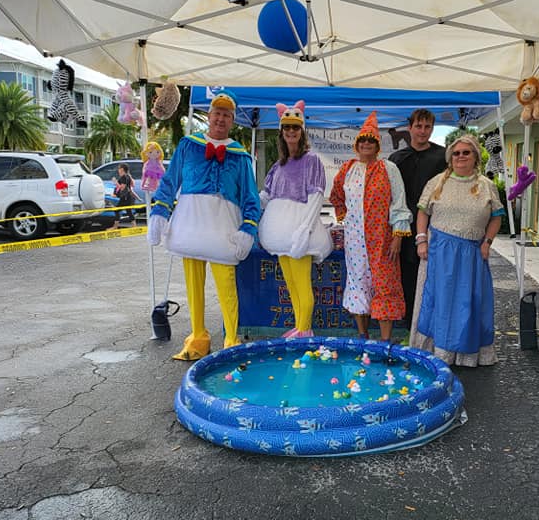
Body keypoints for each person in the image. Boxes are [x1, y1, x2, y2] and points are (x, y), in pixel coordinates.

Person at [147, 94, 261, 361]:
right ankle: (198, 336)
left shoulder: (240, 156)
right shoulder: (188, 146)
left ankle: (231, 340)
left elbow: (250, 196)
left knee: (227, 286)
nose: (220, 119)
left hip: (222, 231)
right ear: (208, 116)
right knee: (193, 285)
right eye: (217, 113)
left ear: (232, 121)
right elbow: (170, 180)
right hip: (190, 226)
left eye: (226, 115)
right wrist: (160, 211)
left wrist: (248, 228)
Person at [410, 133, 504, 367]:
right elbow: (423, 212)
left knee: (468, 303)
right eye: (456, 153)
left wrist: (487, 242)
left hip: (471, 254)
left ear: (475, 156)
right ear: (450, 157)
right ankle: (437, 351)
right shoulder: (437, 182)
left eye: (466, 152)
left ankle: (465, 355)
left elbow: (496, 217)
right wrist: (421, 240)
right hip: (439, 252)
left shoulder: (487, 186)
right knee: (438, 301)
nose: (461, 156)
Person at [329, 111, 412, 341]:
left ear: (377, 145)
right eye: (363, 140)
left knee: (385, 284)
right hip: (355, 241)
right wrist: (345, 217)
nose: (366, 144)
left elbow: (399, 202)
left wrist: (398, 236)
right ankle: (362, 335)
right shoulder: (347, 169)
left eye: (371, 141)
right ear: (357, 144)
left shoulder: (388, 168)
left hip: (383, 240)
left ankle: (385, 340)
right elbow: (336, 195)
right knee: (358, 283)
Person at [258, 100, 332, 339]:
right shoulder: (278, 165)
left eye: (295, 127)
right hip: (279, 233)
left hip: (299, 230)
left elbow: (316, 196)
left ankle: (304, 329)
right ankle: (300, 326)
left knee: (302, 283)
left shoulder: (312, 161)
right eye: (287, 127)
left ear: (302, 131)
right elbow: (266, 196)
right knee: (290, 283)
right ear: (281, 132)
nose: (291, 131)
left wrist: (305, 229)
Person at [388, 109, 446, 328]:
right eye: (418, 126)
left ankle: (431, 324)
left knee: (433, 275)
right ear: (409, 128)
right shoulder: (396, 159)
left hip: (435, 225)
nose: (423, 131)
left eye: (427, 127)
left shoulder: (443, 157)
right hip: (403, 227)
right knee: (407, 276)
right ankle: (409, 325)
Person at [109, 163, 138, 228]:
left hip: (125, 197)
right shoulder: (128, 176)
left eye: (119, 168)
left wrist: (115, 182)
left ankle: (115, 226)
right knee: (128, 211)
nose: (118, 170)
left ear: (122, 169)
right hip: (127, 197)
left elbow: (122, 188)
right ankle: (134, 226)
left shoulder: (123, 177)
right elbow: (131, 187)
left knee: (117, 210)